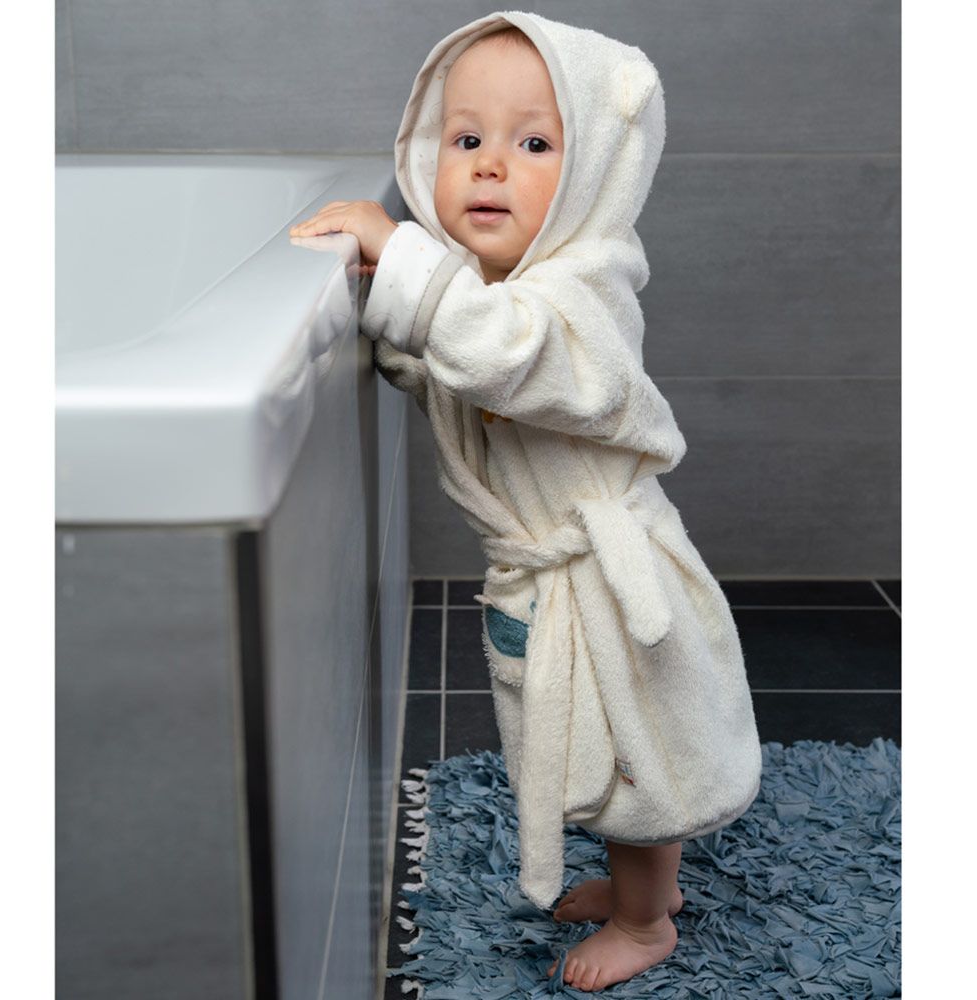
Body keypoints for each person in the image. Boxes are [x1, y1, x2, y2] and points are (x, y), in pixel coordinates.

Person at [289, 10, 762, 993]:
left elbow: (511, 352)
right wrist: (393, 315)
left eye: (534, 144)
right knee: (606, 753)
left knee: (639, 763)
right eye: (466, 139)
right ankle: (641, 888)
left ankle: (645, 922)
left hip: (609, 581)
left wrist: (402, 256)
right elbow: (460, 370)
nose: (491, 165)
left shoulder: (587, 291)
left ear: (594, 176)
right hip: (550, 580)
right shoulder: (491, 288)